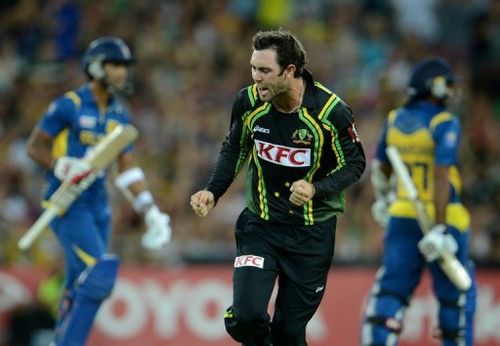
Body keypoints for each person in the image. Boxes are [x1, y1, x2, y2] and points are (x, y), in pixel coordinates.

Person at [190, 29, 366, 346]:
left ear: (289, 71)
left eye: (265, 71)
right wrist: (212, 192)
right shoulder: (248, 102)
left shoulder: (330, 113)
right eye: (254, 69)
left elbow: (355, 164)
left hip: (311, 236)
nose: (257, 78)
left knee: (288, 334)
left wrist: (316, 188)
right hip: (260, 227)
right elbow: (234, 149)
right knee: (245, 318)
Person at [26, 36, 172, 346]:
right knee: (99, 276)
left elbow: (127, 168)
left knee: (79, 282)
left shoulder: (120, 114)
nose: (122, 72)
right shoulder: (70, 105)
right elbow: (35, 146)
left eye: (124, 66)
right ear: (95, 66)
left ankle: (59, 341)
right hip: (67, 202)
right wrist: (60, 166)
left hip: (98, 205)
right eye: (115, 65)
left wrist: (150, 209)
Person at [361, 57, 476, 346]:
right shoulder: (444, 122)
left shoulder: (394, 119)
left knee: (391, 293)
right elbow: (441, 176)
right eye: (447, 85)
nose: (451, 91)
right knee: (455, 300)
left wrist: (384, 199)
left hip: (403, 215)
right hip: (443, 218)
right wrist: (440, 227)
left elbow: (382, 168)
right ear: (433, 86)